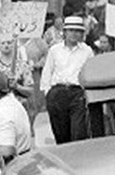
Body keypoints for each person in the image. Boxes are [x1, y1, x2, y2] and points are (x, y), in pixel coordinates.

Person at [40, 15, 94, 143]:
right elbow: (47, 72)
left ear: (82, 33)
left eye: (77, 31)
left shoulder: (87, 51)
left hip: (77, 93)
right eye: (71, 30)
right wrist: (48, 93)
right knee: (61, 135)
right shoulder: (55, 50)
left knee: (78, 133)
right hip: (57, 92)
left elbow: (91, 73)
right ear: (64, 32)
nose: (74, 34)